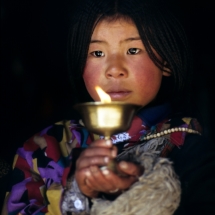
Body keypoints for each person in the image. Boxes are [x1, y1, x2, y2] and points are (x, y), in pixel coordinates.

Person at [2, 0, 215, 214]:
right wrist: (79, 194)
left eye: (133, 50)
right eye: (97, 53)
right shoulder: (44, 150)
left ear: (167, 61)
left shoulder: (190, 145)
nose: (114, 69)